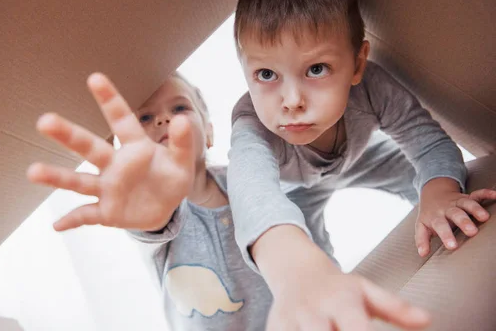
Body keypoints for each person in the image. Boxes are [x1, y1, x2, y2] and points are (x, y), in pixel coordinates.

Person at [26, 72, 429, 330]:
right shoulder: (155, 215)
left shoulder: (266, 178)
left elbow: (385, 165)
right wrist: (148, 212)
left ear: (211, 131)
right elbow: (151, 223)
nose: (163, 121)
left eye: (178, 108)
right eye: (143, 118)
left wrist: (430, 191)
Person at [227, 0, 496, 329]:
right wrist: (298, 272)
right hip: (293, 189)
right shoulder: (251, 123)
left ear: (357, 64)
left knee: (433, 186)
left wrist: (440, 190)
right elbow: (251, 192)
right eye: (266, 73)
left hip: (361, 155)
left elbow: (427, 141)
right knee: (310, 254)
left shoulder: (372, 87)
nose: (291, 101)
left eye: (316, 69)